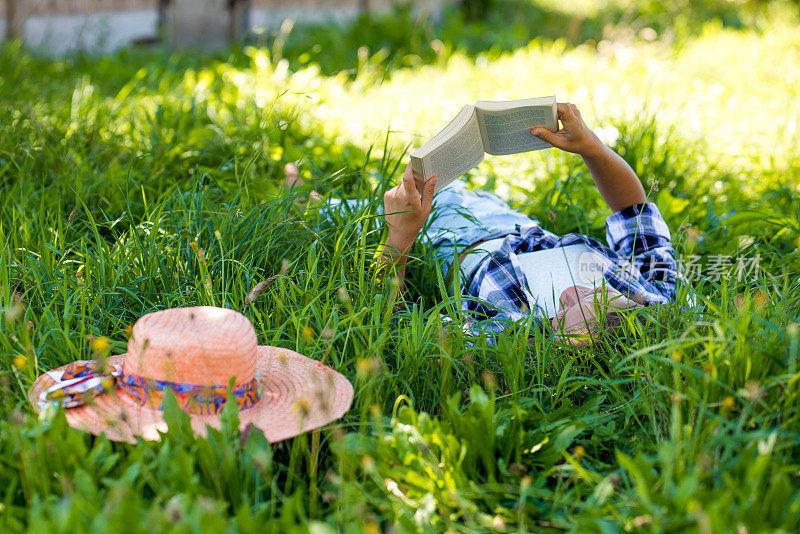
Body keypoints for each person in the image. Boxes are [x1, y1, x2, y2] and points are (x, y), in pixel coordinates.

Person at [284, 102, 679, 344]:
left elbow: (396, 326)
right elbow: (634, 211)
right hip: (505, 219)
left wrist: (400, 236)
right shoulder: (657, 292)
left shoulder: (510, 336)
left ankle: (311, 203)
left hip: (443, 236)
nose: (569, 293)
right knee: (455, 189)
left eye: (564, 315)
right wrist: (591, 148)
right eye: (590, 295)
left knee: (363, 215)